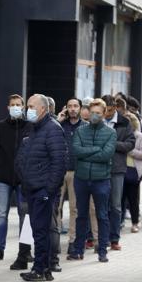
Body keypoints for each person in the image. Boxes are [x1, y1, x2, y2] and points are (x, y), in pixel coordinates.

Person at [14, 94, 67, 282]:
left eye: (31, 106)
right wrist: (24, 180)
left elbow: (59, 162)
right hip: (31, 188)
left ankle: (41, 269)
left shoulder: (53, 129)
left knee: (41, 230)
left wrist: (48, 190)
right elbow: (22, 157)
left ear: (43, 109)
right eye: (27, 106)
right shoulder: (32, 128)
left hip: (43, 190)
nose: (27, 110)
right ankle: (43, 269)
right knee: (37, 230)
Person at [67, 98, 116, 263]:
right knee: (81, 215)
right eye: (92, 112)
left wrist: (88, 154)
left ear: (103, 114)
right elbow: (76, 151)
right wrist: (96, 150)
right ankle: (78, 250)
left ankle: (102, 250)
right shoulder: (81, 131)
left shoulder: (110, 133)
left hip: (101, 180)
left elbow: (106, 155)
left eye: (98, 113)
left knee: (102, 215)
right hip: (81, 179)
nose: (94, 115)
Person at [0, 95, 31, 270]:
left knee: (25, 214)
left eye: (18, 105)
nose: (15, 107)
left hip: (24, 178)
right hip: (3, 177)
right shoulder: (0, 126)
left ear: (23, 107)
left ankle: (26, 250)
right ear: (8, 107)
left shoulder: (30, 126)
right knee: (1, 214)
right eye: (12, 105)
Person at [101, 95, 135, 251]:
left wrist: (113, 144)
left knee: (115, 205)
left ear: (114, 108)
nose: (106, 113)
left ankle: (114, 238)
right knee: (100, 205)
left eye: (108, 110)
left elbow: (130, 144)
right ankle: (99, 237)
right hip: (99, 167)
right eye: (104, 110)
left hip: (117, 169)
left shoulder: (124, 122)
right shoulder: (98, 120)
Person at [56, 98, 89, 256]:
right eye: (70, 106)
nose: (73, 109)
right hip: (59, 171)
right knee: (56, 207)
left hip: (77, 172)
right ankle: (54, 240)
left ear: (81, 109)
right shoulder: (59, 125)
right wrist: (58, 120)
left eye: (76, 106)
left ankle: (73, 241)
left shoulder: (86, 127)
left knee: (74, 209)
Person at [123, 113, 142, 233]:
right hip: (121, 170)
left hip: (134, 171)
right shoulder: (121, 135)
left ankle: (135, 222)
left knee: (133, 199)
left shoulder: (140, 136)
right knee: (120, 199)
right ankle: (119, 222)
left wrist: (129, 150)